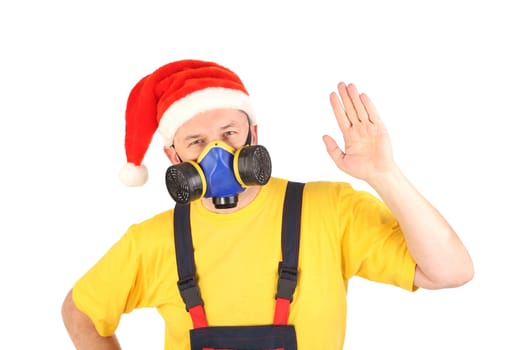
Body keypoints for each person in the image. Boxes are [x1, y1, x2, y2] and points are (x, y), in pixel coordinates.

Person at [61, 59, 474, 350]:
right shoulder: (153, 241)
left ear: (253, 133)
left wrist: (385, 174)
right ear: (174, 158)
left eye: (229, 132)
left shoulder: (327, 211)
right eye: (197, 143)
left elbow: (451, 272)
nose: (218, 152)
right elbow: (78, 312)